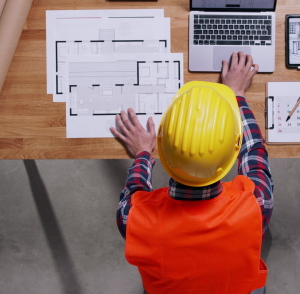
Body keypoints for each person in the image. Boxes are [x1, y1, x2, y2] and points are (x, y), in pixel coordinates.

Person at [110, 52, 273, 294]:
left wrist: (143, 152)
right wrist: (236, 94)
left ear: (163, 148)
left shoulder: (132, 219)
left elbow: (135, 191)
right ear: (233, 149)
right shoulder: (256, 206)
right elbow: (253, 153)